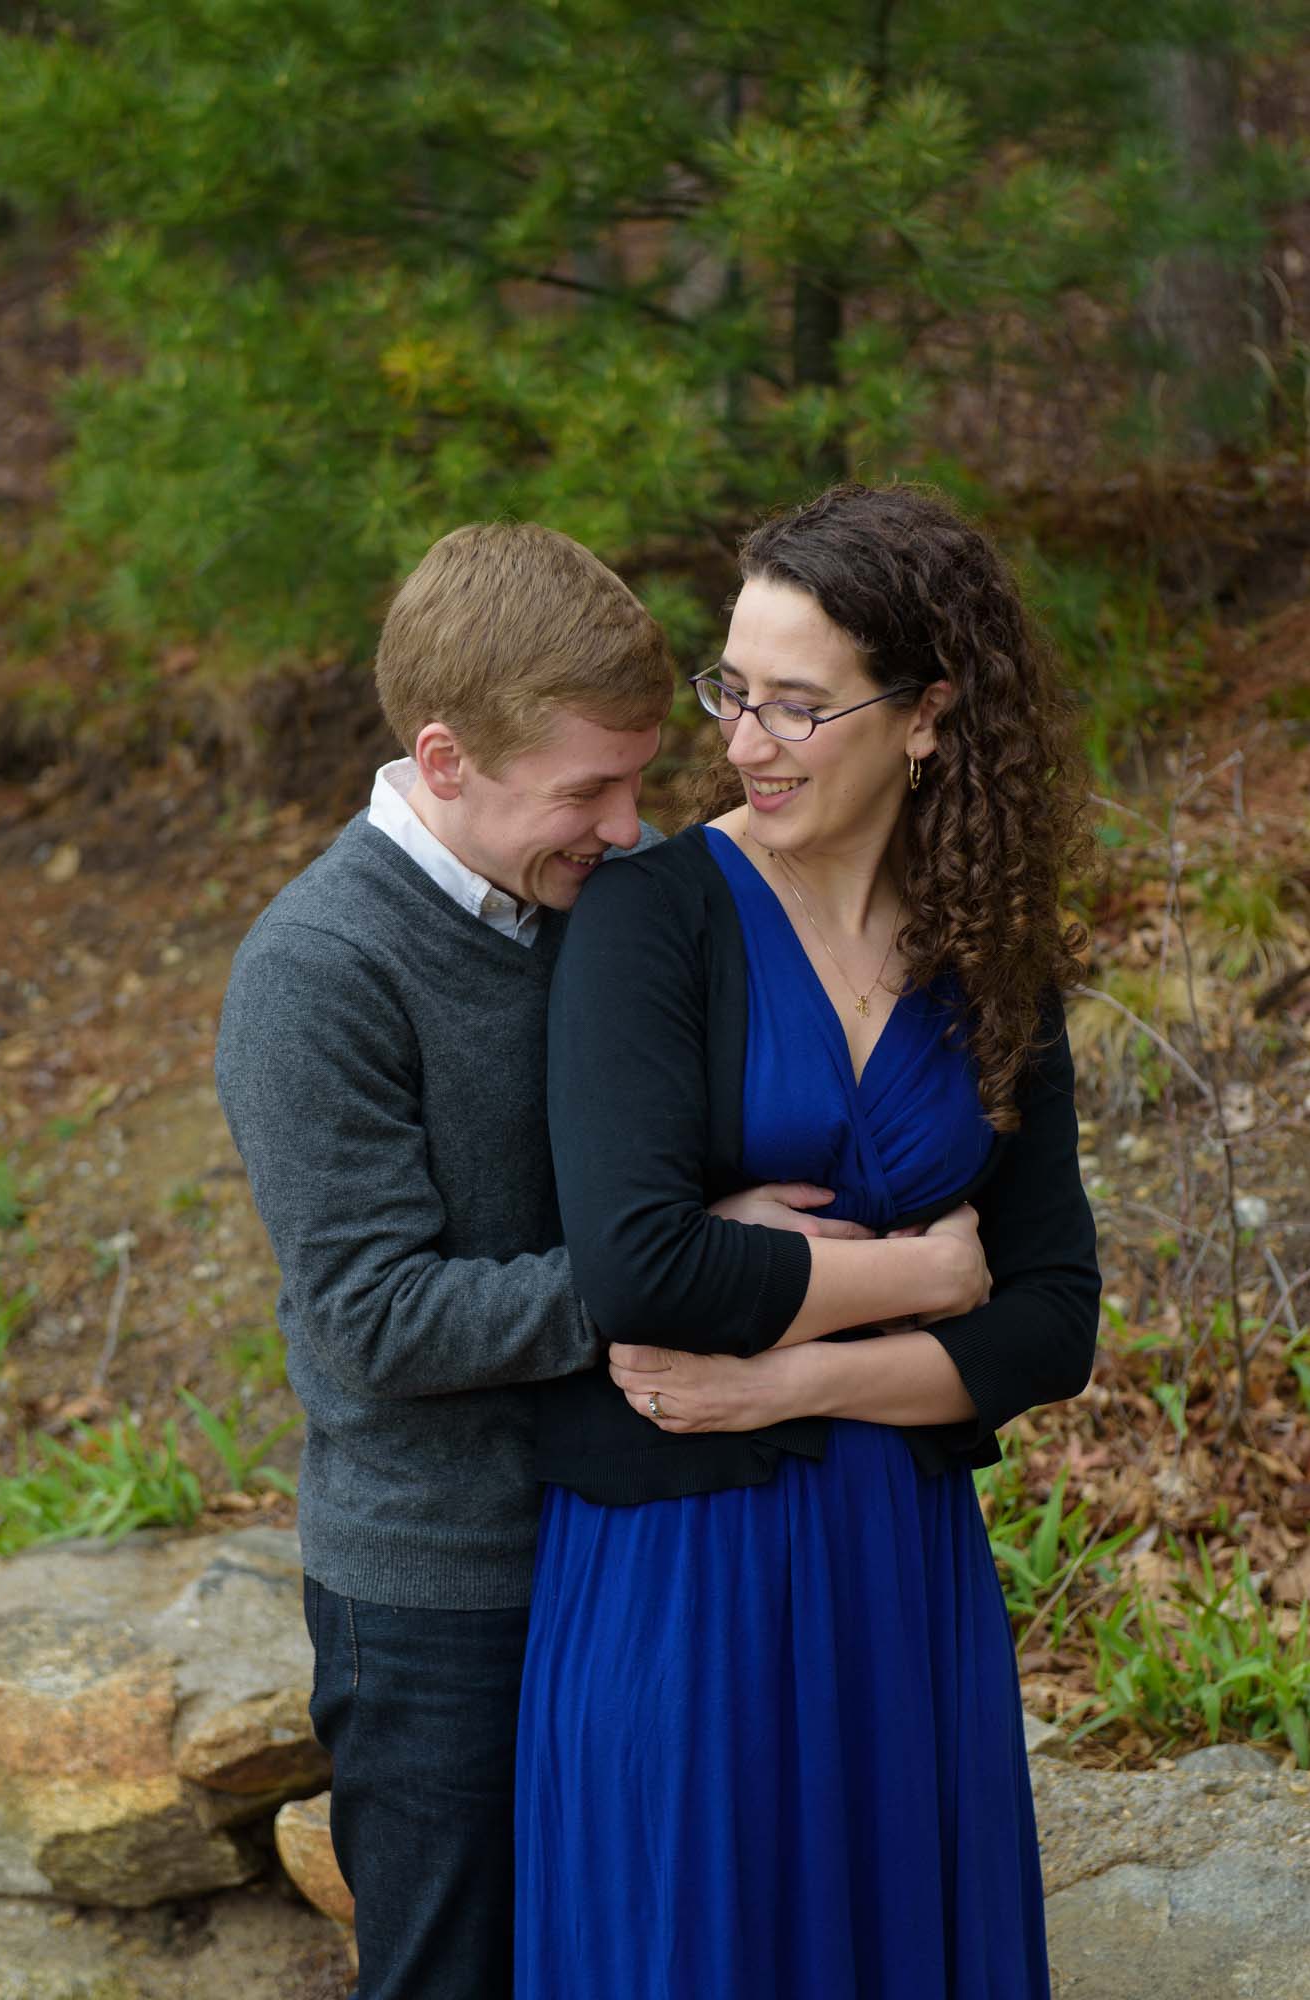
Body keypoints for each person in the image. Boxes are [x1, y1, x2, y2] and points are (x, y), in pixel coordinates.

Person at [517, 483, 1101, 1999]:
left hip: (896, 1566)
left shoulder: (992, 952)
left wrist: (790, 1381)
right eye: (734, 691)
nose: (747, 740)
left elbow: (1051, 1324)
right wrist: (917, 1280)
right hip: (682, 1569)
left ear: (925, 715)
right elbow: (641, 1271)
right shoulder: (652, 918)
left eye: (796, 704)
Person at [213, 522, 679, 2000]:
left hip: (645, 1539)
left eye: (639, 780)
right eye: (588, 788)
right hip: (437, 1597)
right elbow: (375, 1318)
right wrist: (685, 1274)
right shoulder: (318, 971)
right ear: (446, 757)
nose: (625, 823)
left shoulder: (620, 881)